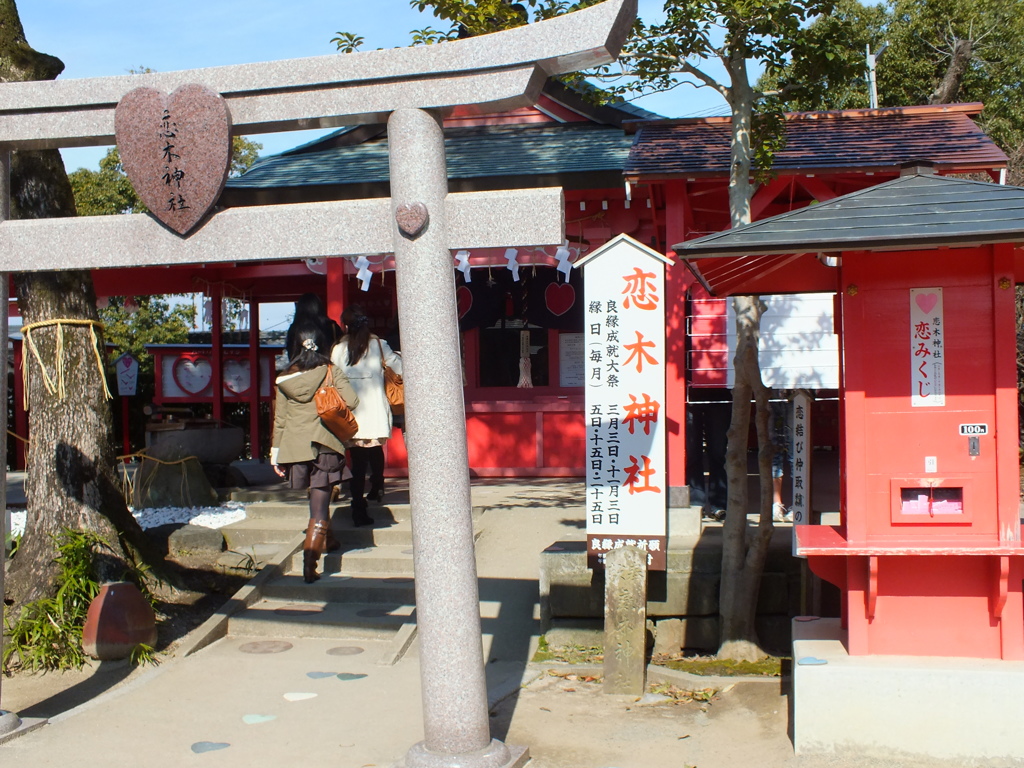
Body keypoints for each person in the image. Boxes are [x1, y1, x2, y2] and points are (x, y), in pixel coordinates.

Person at [272, 326, 358, 583]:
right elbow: (352, 401)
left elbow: (280, 420)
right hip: (324, 444)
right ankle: (310, 566)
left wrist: (275, 454)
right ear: (325, 344)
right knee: (319, 506)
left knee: (317, 497)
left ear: (295, 346)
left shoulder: (284, 378)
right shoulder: (330, 371)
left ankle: (329, 540)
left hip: (294, 447)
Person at [331, 305, 403, 527]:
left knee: (357, 461)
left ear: (345, 326)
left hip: (351, 411)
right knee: (374, 449)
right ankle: (377, 484)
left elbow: (332, 378)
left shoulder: (338, 349)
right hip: (374, 409)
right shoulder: (379, 345)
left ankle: (357, 505)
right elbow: (400, 368)